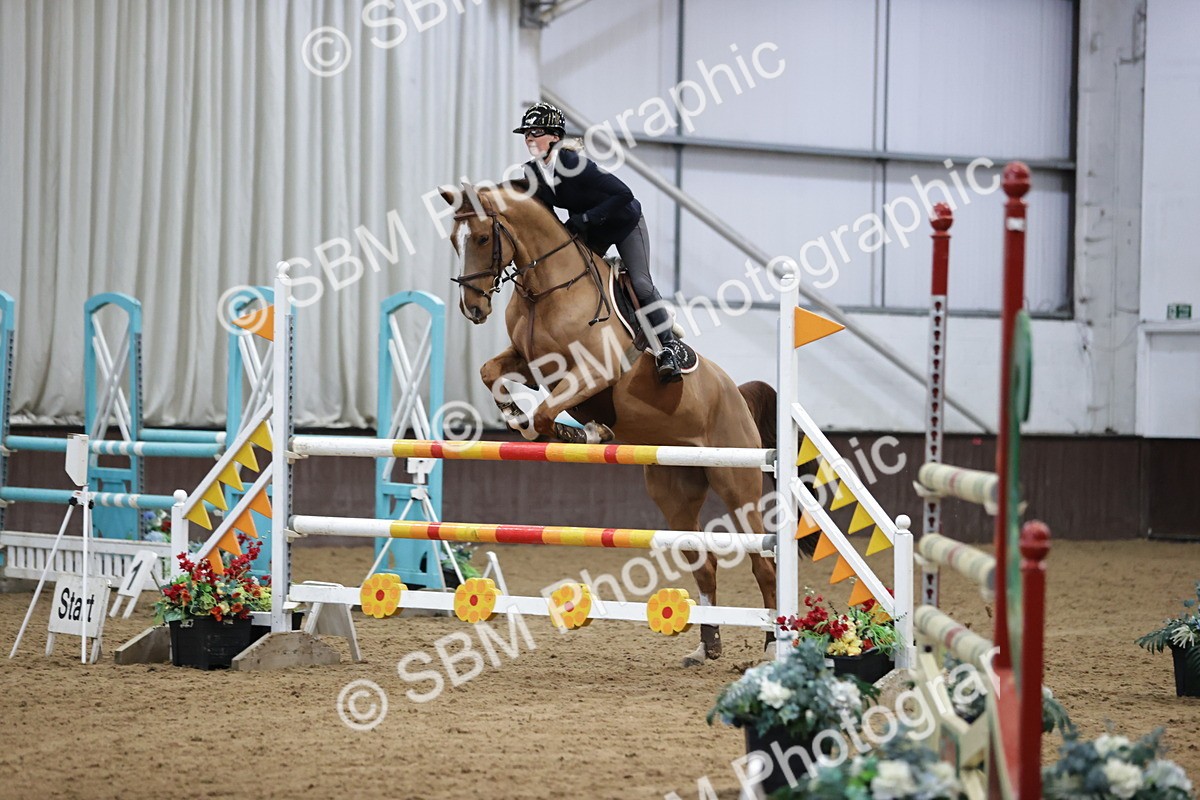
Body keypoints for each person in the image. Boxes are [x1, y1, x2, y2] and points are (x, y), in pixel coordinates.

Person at [513, 102, 685, 383]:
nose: (529, 138)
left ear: (555, 136)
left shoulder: (573, 163)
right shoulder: (533, 171)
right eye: (526, 133)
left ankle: (668, 347)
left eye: (536, 132)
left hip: (624, 223)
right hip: (592, 229)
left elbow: (623, 193)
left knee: (640, 283)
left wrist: (587, 219)